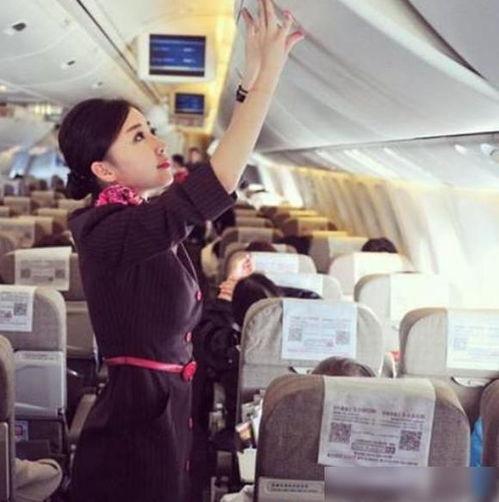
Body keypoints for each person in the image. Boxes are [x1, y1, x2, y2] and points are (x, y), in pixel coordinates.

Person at [57, 1, 304, 500]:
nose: (157, 144)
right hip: (135, 433)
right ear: (104, 170)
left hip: (169, 412)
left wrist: (230, 285)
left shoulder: (139, 221)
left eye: (150, 130)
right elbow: (213, 184)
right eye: (139, 137)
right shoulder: (106, 230)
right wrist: (266, 79)